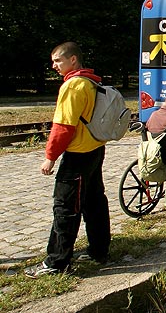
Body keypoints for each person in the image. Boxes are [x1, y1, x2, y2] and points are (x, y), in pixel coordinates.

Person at [25, 42, 112, 278]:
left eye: (58, 61)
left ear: (73, 60)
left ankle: (56, 262)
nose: (54, 66)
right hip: (95, 149)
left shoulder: (73, 86)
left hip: (78, 156)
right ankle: (99, 250)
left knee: (65, 207)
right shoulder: (92, 81)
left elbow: (63, 127)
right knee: (94, 201)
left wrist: (50, 157)